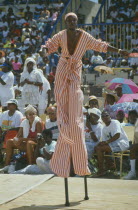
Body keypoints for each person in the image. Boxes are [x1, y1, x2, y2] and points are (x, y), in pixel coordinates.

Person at [41, 12, 129, 178]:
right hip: (62, 66)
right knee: (60, 100)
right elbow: (50, 46)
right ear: (66, 23)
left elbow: (100, 45)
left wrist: (118, 50)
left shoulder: (85, 36)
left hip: (75, 70)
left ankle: (73, 137)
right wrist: (44, 53)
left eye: (74, 19)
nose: (72, 22)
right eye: (68, 20)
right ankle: (64, 128)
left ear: (77, 21)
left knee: (76, 101)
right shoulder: (61, 35)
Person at [0, 105, 43, 173]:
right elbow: (18, 135)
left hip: (36, 144)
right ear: (27, 116)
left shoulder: (38, 122)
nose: (32, 116)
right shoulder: (24, 122)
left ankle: (30, 165)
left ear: (36, 114)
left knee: (29, 143)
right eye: (30, 114)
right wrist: (16, 139)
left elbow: (38, 139)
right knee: (9, 142)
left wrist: (22, 139)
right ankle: (6, 165)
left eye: (33, 114)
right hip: (26, 143)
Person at [95, 111, 129, 176]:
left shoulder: (115, 122)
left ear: (110, 116)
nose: (105, 117)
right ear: (101, 119)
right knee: (97, 147)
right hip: (113, 144)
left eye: (107, 115)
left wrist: (106, 142)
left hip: (122, 143)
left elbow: (117, 135)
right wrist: (102, 143)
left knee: (100, 149)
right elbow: (105, 141)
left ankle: (102, 169)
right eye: (103, 116)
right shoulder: (104, 128)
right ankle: (109, 165)